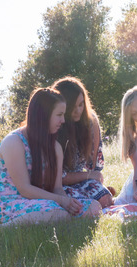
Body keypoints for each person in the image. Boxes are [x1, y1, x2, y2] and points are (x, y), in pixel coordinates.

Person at [0, 88, 102, 226]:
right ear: (43, 115)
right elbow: (24, 189)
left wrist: (69, 204)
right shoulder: (14, 142)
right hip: (12, 202)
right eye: (59, 114)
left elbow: (57, 189)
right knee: (58, 215)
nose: (63, 120)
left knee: (94, 207)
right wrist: (61, 202)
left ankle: (58, 216)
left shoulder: (55, 147)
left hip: (45, 200)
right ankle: (0, 229)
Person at [51, 77, 113, 208]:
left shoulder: (90, 121)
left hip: (83, 179)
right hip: (57, 185)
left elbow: (95, 166)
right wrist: (89, 175)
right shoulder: (54, 126)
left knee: (105, 200)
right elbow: (59, 178)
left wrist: (95, 181)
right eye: (73, 107)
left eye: (81, 104)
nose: (78, 110)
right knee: (82, 206)